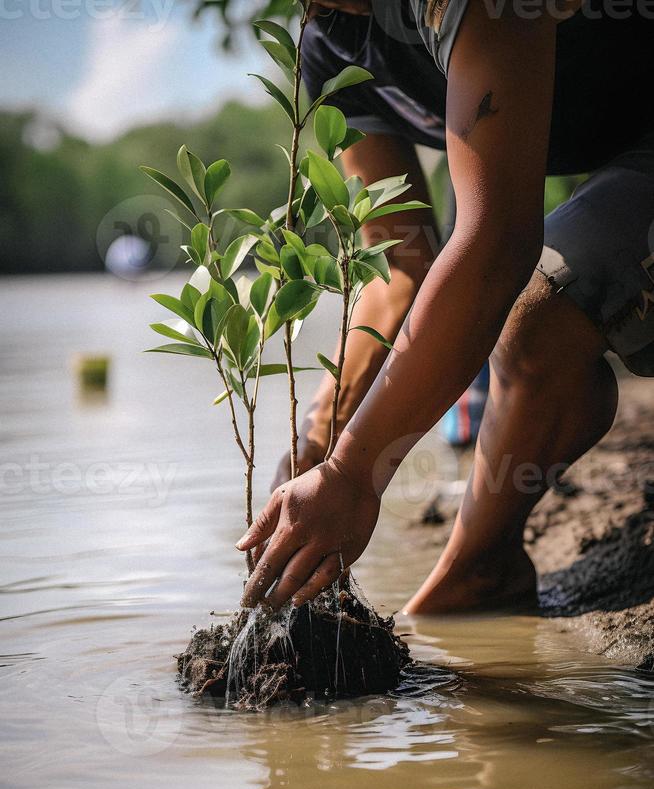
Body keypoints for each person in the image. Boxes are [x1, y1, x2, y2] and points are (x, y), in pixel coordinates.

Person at [238, 0, 654, 615]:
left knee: (536, 317)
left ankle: (481, 571)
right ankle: (483, 589)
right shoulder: (326, 48)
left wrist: (354, 476)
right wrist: (317, 447)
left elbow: (498, 245)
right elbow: (399, 268)